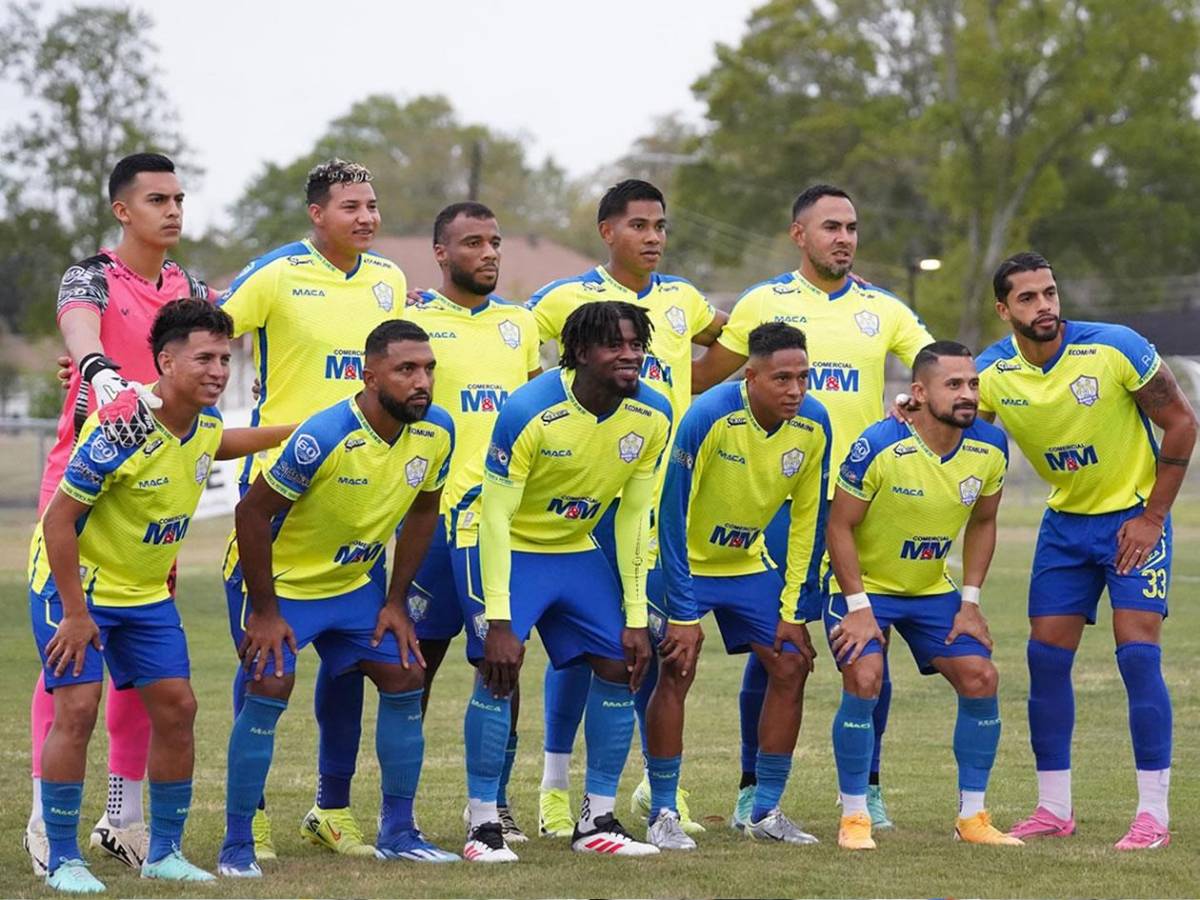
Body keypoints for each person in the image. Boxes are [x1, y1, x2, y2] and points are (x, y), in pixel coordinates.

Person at [691, 183, 933, 830]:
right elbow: (702, 381)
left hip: (863, 510)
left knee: (867, 643)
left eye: (851, 226)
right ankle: (752, 790)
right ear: (799, 234)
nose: (844, 237)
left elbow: (935, 370)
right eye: (830, 226)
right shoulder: (763, 303)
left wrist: (915, 397)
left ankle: (868, 786)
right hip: (779, 503)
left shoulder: (885, 310)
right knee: (777, 646)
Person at [29, 299, 292, 893]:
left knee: (178, 709)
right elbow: (57, 521)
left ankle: (165, 853)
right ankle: (64, 857)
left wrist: (298, 430)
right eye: (204, 357)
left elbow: (216, 444)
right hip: (80, 591)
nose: (219, 370)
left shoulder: (198, 423)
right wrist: (73, 613)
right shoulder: (124, 422)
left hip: (146, 595)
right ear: (166, 361)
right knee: (77, 711)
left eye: (225, 358)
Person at [217, 320, 459, 877]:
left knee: (404, 674)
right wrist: (266, 612)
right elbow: (251, 514)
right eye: (406, 370)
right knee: (271, 682)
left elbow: (424, 511)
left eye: (428, 369)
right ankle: (238, 842)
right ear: (369, 376)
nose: (421, 381)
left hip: (352, 585)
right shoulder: (323, 436)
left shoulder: (437, 430)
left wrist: (396, 602)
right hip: (281, 587)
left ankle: (399, 830)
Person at [27, 152, 213, 876]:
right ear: (122, 211)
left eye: (180, 198)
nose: (172, 210)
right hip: (80, 482)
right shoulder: (92, 276)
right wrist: (98, 368)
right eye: (157, 198)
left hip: (151, 499)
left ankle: (127, 818)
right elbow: (78, 327)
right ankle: (48, 828)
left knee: (145, 671)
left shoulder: (188, 286)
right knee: (69, 668)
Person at [216, 158, 408, 858]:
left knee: (353, 661)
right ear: (316, 214)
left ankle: (332, 809)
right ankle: (252, 814)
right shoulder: (273, 274)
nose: (366, 216)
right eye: (351, 205)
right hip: (282, 492)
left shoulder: (389, 280)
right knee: (266, 662)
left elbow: (407, 361)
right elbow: (202, 334)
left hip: (363, 495)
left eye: (373, 205)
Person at [976, 252, 1197, 849]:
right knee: (1046, 661)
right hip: (1065, 525)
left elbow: (1182, 423)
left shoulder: (1115, 346)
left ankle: (1153, 815)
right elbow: (960, 426)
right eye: (1027, 298)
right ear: (1004, 309)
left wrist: (1153, 517)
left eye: (1049, 292)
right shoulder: (990, 373)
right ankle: (1054, 808)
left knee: (1137, 656)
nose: (1044, 305)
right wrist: (911, 411)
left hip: (1132, 520)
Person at [526, 179, 723, 837]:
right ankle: (556, 788)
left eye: (661, 225)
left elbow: (741, 339)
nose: (654, 237)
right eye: (640, 225)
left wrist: (695, 386)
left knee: (663, 647)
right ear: (608, 231)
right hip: (592, 503)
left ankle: (658, 788)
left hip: (662, 495)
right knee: (586, 650)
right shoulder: (565, 298)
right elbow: (513, 340)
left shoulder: (682, 300)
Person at [461, 301, 671, 862]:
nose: (631, 356)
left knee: (620, 661)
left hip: (574, 547)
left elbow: (633, 516)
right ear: (579, 352)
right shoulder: (529, 409)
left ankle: (596, 819)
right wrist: (500, 620)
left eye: (637, 345)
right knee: (498, 666)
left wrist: (634, 616)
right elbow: (496, 517)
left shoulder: (653, 414)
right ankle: (482, 824)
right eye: (616, 345)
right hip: (504, 544)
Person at [824, 341, 1019, 851]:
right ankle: (855, 817)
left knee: (981, 677)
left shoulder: (991, 447)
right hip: (865, 589)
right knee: (865, 676)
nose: (967, 394)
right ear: (919, 392)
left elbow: (984, 520)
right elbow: (839, 526)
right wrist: (861, 609)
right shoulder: (880, 444)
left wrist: (970, 600)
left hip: (932, 590)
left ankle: (972, 818)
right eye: (953, 384)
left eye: (972, 383)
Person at [644, 323, 830, 851]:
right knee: (678, 666)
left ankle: (765, 810)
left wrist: (795, 608)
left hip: (745, 563)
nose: (795, 390)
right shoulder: (708, 417)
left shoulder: (814, 424)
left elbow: (808, 522)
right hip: (682, 563)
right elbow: (670, 516)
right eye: (781, 379)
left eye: (803, 378)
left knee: (791, 661)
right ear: (750, 376)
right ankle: (662, 812)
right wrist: (682, 611)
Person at [403, 202, 540, 843]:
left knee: (501, 664)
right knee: (413, 667)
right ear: (440, 252)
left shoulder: (520, 324)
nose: (488, 253)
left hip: (500, 526)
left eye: (495, 242)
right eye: (472, 243)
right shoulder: (413, 322)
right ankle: (396, 809)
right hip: (430, 523)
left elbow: (541, 410)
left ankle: (495, 802)